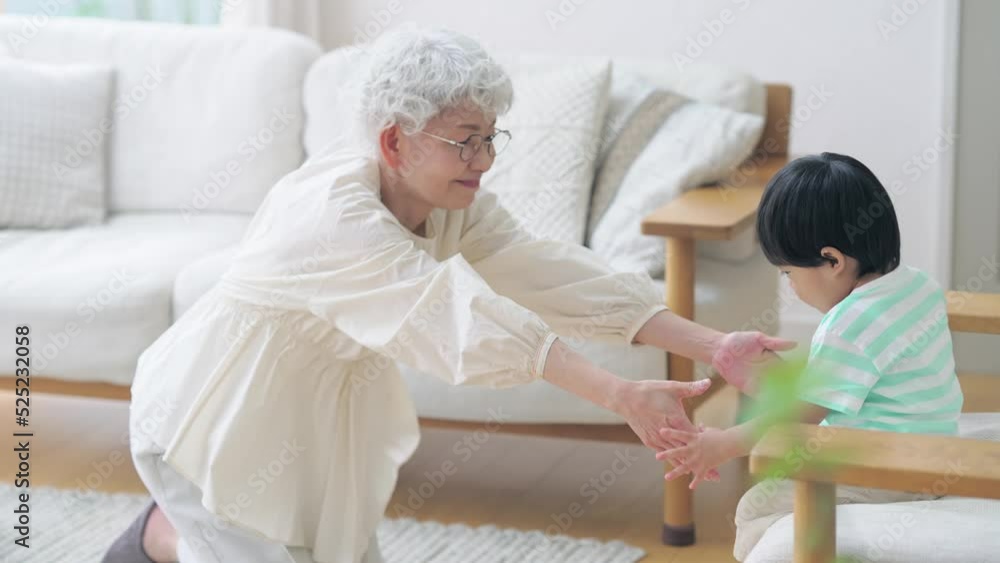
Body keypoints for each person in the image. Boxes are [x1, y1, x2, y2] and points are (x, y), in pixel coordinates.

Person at [103, 27, 792, 563]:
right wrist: (618, 393)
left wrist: (714, 345)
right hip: (213, 423)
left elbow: (550, 273)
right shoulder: (333, 217)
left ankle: (169, 536)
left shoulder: (452, 206)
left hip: (314, 428)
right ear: (394, 142)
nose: (485, 160)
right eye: (465, 141)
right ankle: (164, 535)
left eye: (491, 138)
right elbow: (459, 318)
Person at [654, 152, 961, 560]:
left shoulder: (848, 324)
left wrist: (723, 443)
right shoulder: (917, 286)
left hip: (889, 471)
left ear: (832, 261)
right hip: (936, 454)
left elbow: (801, 414)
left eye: (789, 273)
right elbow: (864, 381)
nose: (791, 287)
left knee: (757, 505)